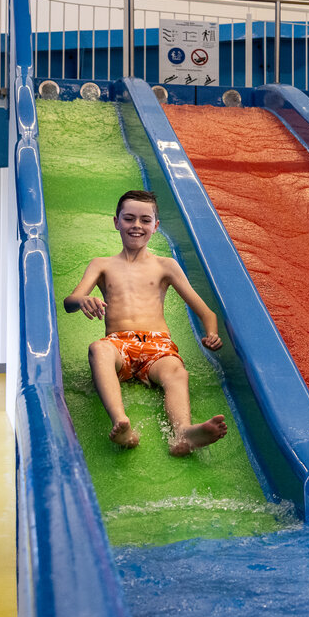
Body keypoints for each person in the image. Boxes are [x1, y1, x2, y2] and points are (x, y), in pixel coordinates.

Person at [63, 189, 228, 455]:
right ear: (116, 221)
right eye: (129, 219)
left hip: (158, 345)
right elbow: (70, 301)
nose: (136, 226)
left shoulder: (166, 266)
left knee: (176, 371)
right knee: (98, 349)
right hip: (119, 344)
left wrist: (212, 334)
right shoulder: (101, 265)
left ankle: (183, 433)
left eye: (144, 220)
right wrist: (82, 301)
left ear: (155, 226)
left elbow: (207, 313)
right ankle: (121, 422)